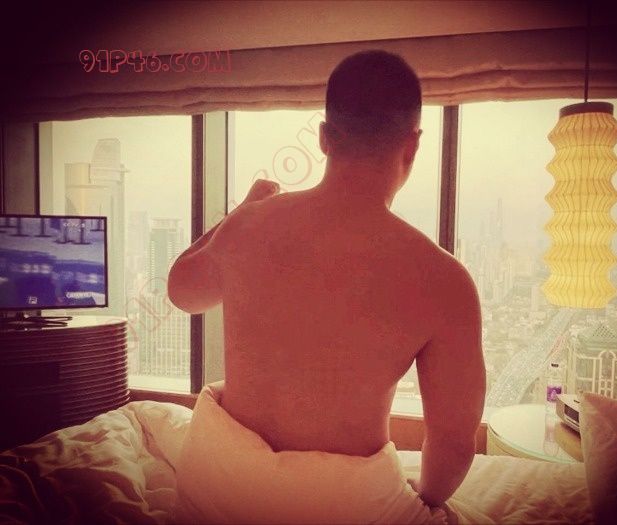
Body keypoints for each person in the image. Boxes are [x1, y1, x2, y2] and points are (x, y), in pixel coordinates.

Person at [168, 50, 485, 522]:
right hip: (344, 507)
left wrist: (239, 213)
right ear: (413, 144)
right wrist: (427, 498)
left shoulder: (250, 224)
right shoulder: (445, 281)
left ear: (323, 137)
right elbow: (454, 444)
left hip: (215, 488)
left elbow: (182, 292)